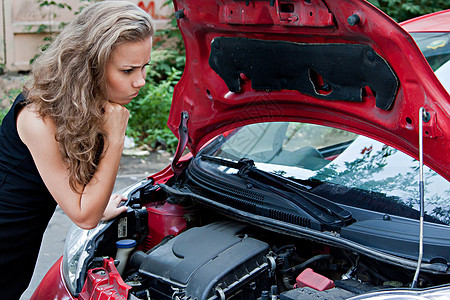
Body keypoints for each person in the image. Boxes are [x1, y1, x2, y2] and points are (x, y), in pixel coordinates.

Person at [0, 1, 155, 298]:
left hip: (17, 255)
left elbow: (79, 197)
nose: (140, 81)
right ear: (90, 66)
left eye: (144, 66)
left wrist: (96, 204)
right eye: (128, 70)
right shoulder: (37, 118)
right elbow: (84, 215)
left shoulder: (84, 104)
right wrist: (115, 138)